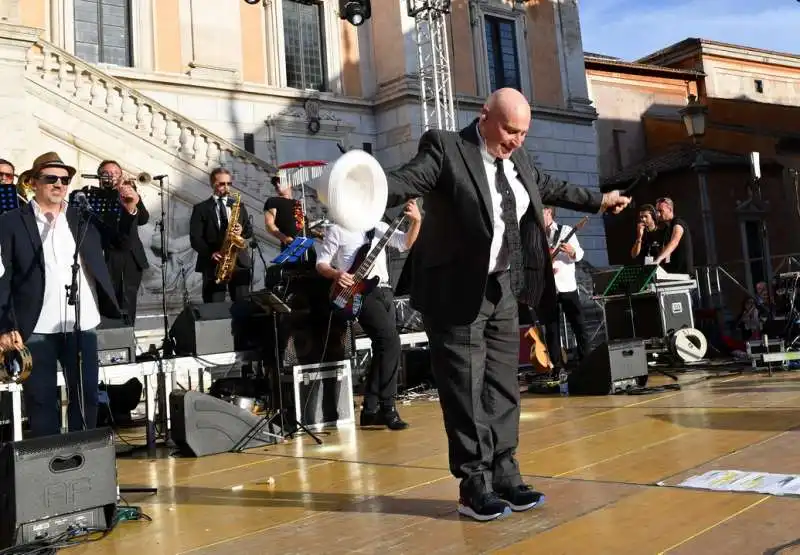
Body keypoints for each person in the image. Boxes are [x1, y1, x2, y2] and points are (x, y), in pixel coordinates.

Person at [384, 88, 631, 521]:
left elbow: (551, 185)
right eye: (509, 130)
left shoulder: (520, 158)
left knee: (502, 385)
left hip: (502, 289)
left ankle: (505, 473)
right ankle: (473, 484)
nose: (516, 140)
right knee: (465, 389)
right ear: (484, 116)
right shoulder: (445, 148)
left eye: (522, 132)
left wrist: (600, 199)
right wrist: (359, 185)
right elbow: (404, 180)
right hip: (457, 292)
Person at [0, 152, 135, 437]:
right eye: (51, 178)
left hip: (81, 323)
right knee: (41, 400)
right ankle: (50, 464)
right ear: (33, 182)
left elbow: (120, 242)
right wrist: (5, 325)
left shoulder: (81, 217)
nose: (59, 184)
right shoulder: (12, 222)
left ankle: (82, 458)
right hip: (35, 328)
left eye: (64, 179)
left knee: (86, 396)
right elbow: (4, 277)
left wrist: (129, 209)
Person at [315, 200, 422, 430]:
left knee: (383, 347)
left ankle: (370, 410)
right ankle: (388, 407)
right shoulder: (337, 229)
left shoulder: (379, 226)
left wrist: (417, 221)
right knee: (391, 342)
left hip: (384, 290)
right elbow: (321, 263)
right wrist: (336, 274)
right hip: (359, 293)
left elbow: (404, 244)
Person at [91, 160, 150, 324]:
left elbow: (143, 219)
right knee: (108, 301)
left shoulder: (130, 191)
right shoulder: (95, 196)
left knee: (129, 301)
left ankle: (128, 336)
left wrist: (132, 200)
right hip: (108, 254)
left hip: (131, 256)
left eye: (116, 173)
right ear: (100, 177)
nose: (112, 176)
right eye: (107, 173)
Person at [189, 167, 254, 303]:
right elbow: (195, 238)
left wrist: (241, 229)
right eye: (222, 184)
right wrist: (210, 253)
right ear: (213, 184)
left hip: (239, 262)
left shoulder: (238, 205)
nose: (226, 187)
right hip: (214, 263)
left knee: (243, 307)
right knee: (213, 307)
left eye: (229, 184)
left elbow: (249, 230)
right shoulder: (201, 208)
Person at [542, 206, 589, 365]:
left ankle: (586, 361)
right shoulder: (535, 235)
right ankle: (557, 368)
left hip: (567, 286)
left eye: (539, 211)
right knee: (552, 330)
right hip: (547, 288)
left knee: (579, 325)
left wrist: (571, 251)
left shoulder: (565, 230)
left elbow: (580, 254)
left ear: (548, 211)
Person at [653, 197, 693, 274]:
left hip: (683, 274)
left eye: (661, 211)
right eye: (657, 211)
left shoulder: (678, 222)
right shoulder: (667, 228)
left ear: (670, 209)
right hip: (672, 273)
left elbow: (674, 242)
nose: (658, 214)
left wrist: (658, 259)